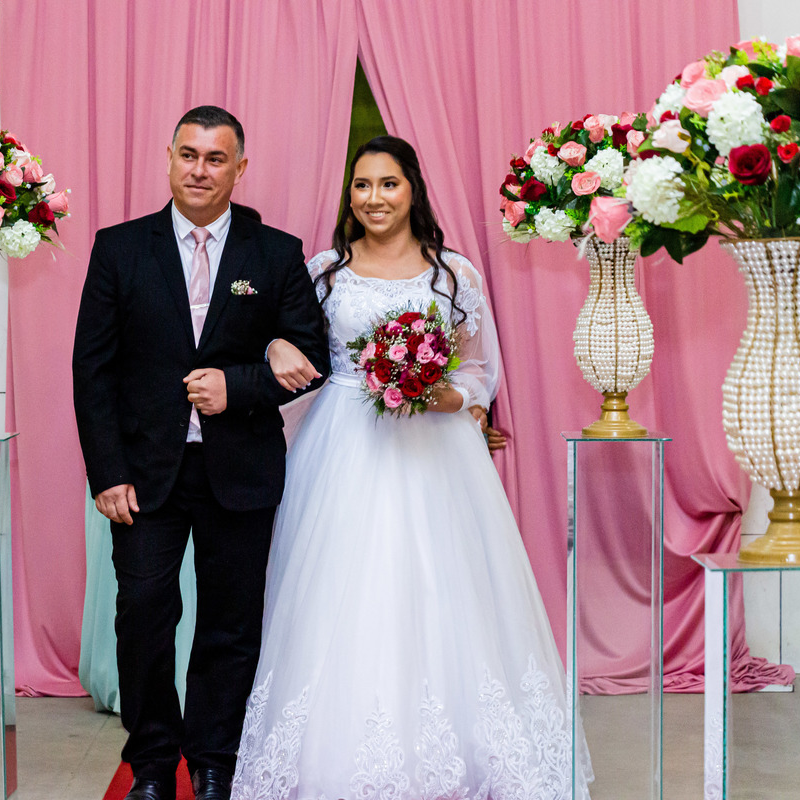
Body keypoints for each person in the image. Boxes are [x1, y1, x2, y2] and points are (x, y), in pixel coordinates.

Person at [231, 136, 589, 799]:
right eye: (362, 185)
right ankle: (333, 757)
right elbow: (289, 346)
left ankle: (462, 752)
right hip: (344, 443)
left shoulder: (453, 274)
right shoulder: (323, 272)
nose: (374, 198)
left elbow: (478, 368)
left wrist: (446, 395)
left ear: (413, 189)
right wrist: (278, 341)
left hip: (436, 450)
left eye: (388, 184)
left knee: (442, 585)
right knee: (340, 587)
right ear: (350, 195)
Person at [72, 106, 330, 800]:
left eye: (216, 159)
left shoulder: (275, 252)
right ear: (169, 158)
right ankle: (153, 765)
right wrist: (107, 473)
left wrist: (236, 386)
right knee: (144, 616)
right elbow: (92, 370)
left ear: (239, 169)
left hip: (239, 471)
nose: (199, 170)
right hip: (143, 476)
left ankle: (214, 761)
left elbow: (314, 357)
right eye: (189, 154)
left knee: (230, 624)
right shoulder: (119, 248)